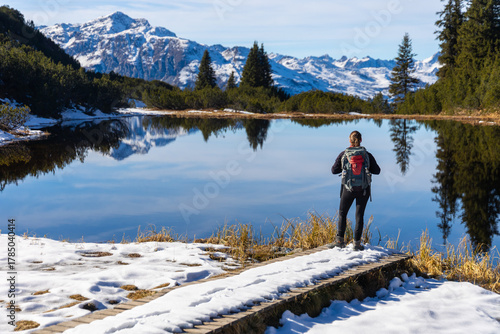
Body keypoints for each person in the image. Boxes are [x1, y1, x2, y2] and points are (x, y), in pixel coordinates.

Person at [329, 131, 380, 251]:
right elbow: (377, 171)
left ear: (349, 140)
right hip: (363, 190)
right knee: (359, 215)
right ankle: (357, 244)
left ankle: (340, 241)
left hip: (348, 189)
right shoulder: (366, 154)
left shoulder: (344, 154)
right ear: (361, 140)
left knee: (342, 213)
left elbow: (333, 170)